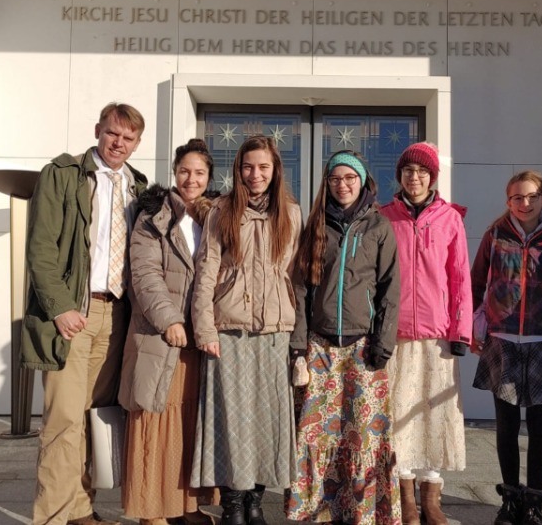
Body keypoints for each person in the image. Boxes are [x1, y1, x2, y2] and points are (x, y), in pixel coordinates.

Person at [22, 103, 148, 525]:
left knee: (93, 420)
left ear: (137, 143)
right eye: (113, 133)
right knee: (62, 420)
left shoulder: (137, 185)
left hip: (117, 316)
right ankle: (53, 516)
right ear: (98, 130)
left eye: (128, 138)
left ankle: (79, 508)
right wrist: (60, 309)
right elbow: (39, 250)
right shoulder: (62, 175)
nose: (119, 143)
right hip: (76, 312)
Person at [190, 135, 302, 525]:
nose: (255, 174)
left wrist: (296, 338)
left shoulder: (291, 212)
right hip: (230, 329)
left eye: (263, 167)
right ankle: (233, 503)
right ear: (238, 170)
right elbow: (205, 274)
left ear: (275, 171)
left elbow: (293, 276)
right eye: (248, 167)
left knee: (265, 418)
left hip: (274, 331)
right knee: (232, 419)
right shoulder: (221, 211)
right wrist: (204, 329)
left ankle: (256, 500)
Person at [285, 150, 401, 525]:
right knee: (316, 433)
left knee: (363, 436)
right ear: (327, 184)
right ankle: (315, 509)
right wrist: (298, 345)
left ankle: (363, 511)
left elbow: (389, 290)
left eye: (350, 178)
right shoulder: (316, 225)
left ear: (363, 181)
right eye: (336, 178)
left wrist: (383, 343)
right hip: (320, 347)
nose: (343, 184)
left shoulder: (379, 227)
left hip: (363, 347)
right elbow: (301, 288)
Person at [118, 139, 221, 525]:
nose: (190, 179)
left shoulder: (215, 218)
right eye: (184, 171)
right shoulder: (153, 216)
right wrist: (170, 321)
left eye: (199, 173)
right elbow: (144, 276)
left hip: (198, 341)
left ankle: (185, 506)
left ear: (209, 177)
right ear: (174, 172)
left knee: (187, 425)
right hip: (161, 337)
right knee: (153, 421)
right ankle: (150, 511)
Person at [470, 170, 542, 525]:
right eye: (517, 197)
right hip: (502, 342)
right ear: (508, 201)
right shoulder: (495, 235)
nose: (525, 203)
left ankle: (534, 503)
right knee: (506, 425)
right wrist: (472, 327)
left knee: (540, 425)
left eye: (531, 196)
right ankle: (510, 498)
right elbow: (475, 283)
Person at [379, 142, 470, 525]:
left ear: (433, 177)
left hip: (437, 335)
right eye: (408, 171)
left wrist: (461, 331)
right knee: (399, 413)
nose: (414, 178)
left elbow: (460, 277)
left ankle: (431, 496)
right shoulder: (383, 217)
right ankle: (405, 496)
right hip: (395, 334)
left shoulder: (449, 218)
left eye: (422, 172)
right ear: (399, 176)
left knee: (435, 412)